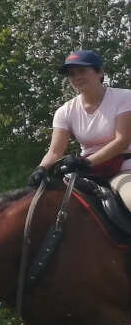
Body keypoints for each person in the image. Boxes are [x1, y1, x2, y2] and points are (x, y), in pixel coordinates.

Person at [30, 49, 131, 207]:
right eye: (71, 74)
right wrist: (41, 169)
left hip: (123, 169)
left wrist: (85, 161)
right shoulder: (64, 111)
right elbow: (55, 152)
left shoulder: (124, 98)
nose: (76, 77)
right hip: (86, 173)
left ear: (100, 72)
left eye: (82, 71)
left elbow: (122, 141)